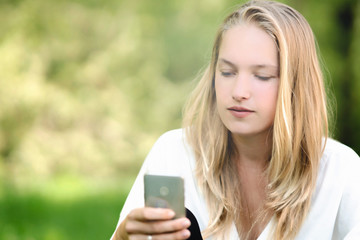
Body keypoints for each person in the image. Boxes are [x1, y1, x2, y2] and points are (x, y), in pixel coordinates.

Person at [111, 0, 360, 239]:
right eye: (227, 72)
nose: (239, 91)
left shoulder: (341, 170)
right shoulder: (174, 152)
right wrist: (124, 237)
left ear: (296, 85)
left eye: (262, 76)